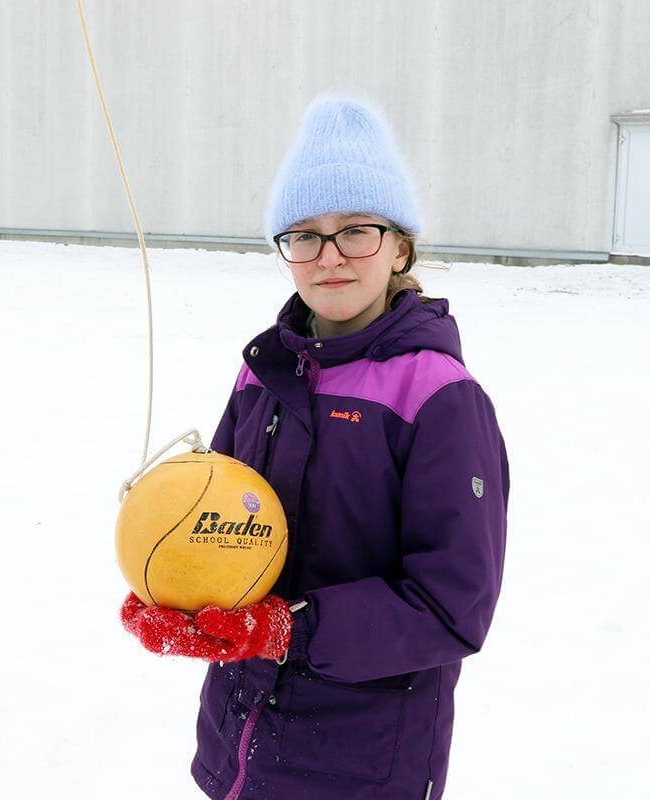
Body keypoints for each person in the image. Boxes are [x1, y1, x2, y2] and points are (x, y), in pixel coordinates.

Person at [120, 95, 510, 800]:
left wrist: (286, 630)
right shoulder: (261, 373)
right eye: (303, 235)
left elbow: (454, 606)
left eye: (355, 230)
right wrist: (173, 590)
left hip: (362, 764)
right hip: (241, 745)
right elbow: (218, 528)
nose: (328, 256)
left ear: (400, 247)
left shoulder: (437, 396)